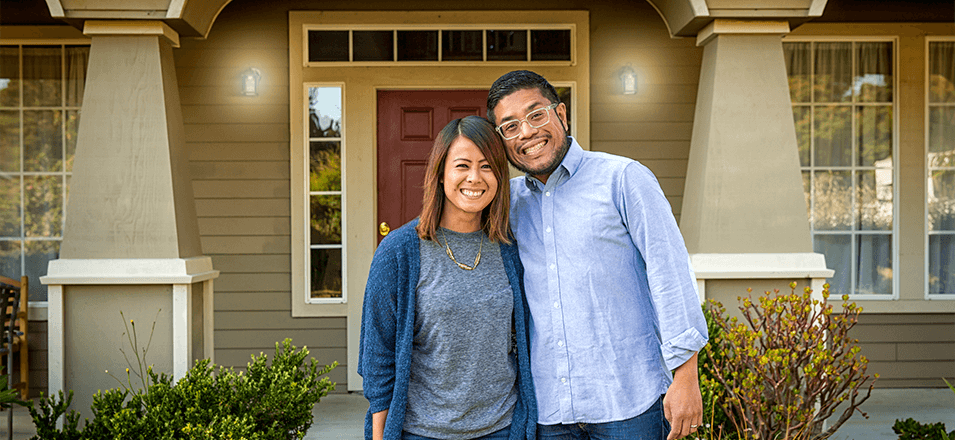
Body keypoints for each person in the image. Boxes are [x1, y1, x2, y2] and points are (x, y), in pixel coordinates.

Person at [486, 70, 708, 440]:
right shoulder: (506, 203)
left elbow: (669, 274)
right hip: (549, 409)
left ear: (561, 114)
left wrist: (685, 375)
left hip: (628, 402)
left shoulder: (623, 179)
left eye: (536, 115)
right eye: (510, 127)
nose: (526, 133)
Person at [358, 115, 537, 440]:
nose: (475, 178)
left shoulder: (510, 248)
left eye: (486, 166)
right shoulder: (399, 251)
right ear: (440, 174)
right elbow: (377, 355)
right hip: (422, 431)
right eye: (462, 165)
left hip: (501, 428)